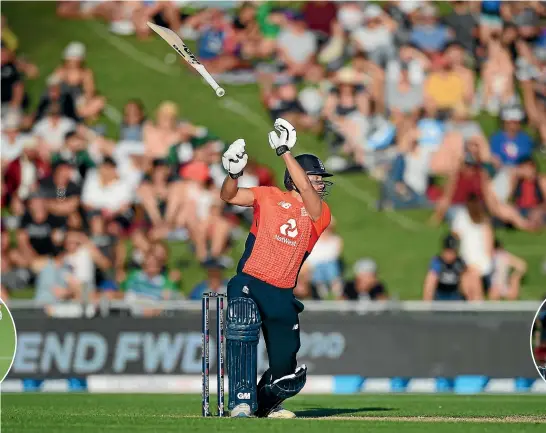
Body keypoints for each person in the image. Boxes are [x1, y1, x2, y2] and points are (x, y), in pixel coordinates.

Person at [219, 118, 333, 419]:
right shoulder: (267, 196)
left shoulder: (319, 213)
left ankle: (266, 404)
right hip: (250, 282)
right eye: (316, 177)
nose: (321, 183)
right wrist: (232, 174)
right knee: (242, 327)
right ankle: (241, 401)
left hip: (282, 294)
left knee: (286, 368)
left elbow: (308, 195)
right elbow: (229, 196)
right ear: (295, 178)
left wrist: (284, 150)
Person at [423, 234, 468, 301]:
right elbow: (429, 285)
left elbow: (465, 286)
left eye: (453, 252)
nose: (450, 255)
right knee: (431, 278)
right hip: (440, 298)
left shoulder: (459, 262)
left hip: (455, 298)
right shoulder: (438, 262)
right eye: (448, 252)